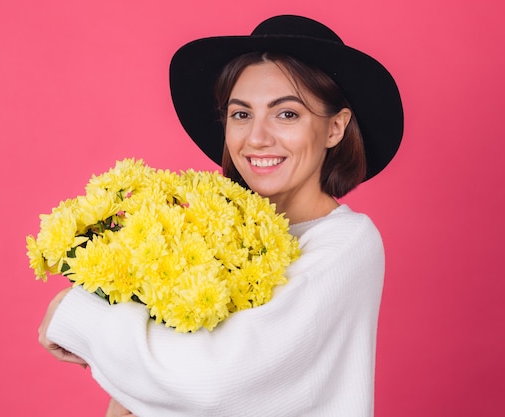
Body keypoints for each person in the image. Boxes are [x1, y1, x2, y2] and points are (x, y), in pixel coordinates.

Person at [38, 14, 404, 416]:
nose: (257, 138)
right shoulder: (212, 231)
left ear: (335, 128)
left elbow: (211, 381)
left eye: (286, 114)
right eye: (241, 114)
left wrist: (78, 314)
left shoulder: (348, 243)